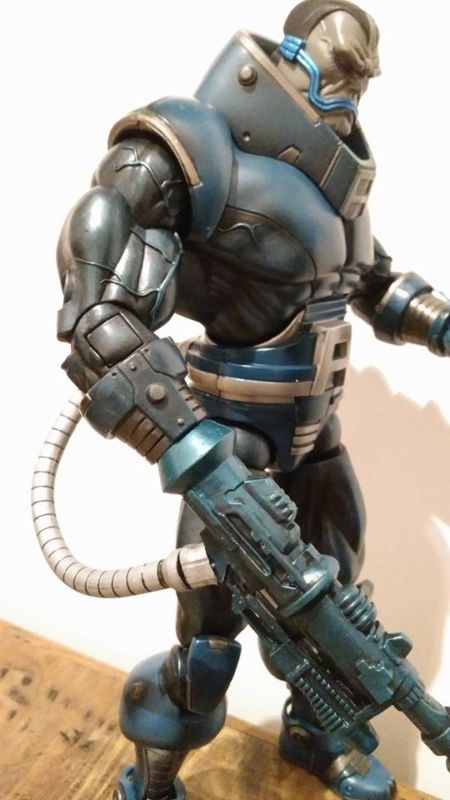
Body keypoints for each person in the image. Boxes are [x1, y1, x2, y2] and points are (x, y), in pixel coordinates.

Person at [56, 2, 450, 798]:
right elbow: (110, 231)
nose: (351, 89)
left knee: (337, 600)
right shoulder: (206, 147)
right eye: (340, 68)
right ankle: (154, 774)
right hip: (230, 445)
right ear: (293, 55)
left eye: (362, 77)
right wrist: (128, 366)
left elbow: (368, 280)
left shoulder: (334, 195)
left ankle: (318, 729)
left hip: (316, 442)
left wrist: (438, 321)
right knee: (209, 638)